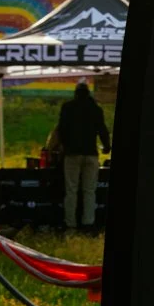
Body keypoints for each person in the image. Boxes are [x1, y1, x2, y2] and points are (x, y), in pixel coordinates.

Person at [57, 82, 110, 229]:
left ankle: (70, 224)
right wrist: (107, 147)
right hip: (91, 154)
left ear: (75, 93)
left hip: (72, 154)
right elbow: (102, 130)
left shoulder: (67, 107)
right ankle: (88, 223)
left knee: (71, 190)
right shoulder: (96, 109)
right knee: (89, 191)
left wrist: (64, 147)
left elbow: (61, 130)